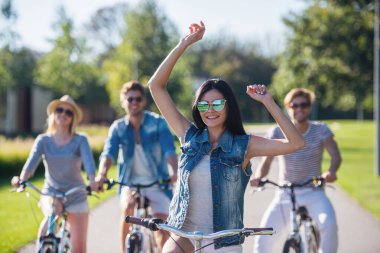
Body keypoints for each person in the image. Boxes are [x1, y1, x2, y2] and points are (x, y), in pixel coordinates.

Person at [147, 21, 305, 253]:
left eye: (217, 103)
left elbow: (296, 143)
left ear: (228, 106)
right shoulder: (188, 136)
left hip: (224, 240)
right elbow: (156, 86)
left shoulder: (245, 145)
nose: (210, 110)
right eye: (204, 104)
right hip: (185, 234)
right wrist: (183, 44)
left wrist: (268, 102)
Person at [251, 88, 342, 253]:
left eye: (304, 105)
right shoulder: (277, 131)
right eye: (295, 105)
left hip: (314, 191)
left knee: (328, 225)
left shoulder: (321, 129)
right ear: (288, 107)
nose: (299, 109)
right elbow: (267, 161)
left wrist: (332, 171)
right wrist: (258, 177)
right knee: (262, 238)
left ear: (309, 107)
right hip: (286, 193)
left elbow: (335, 155)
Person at [95, 80, 178, 252]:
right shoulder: (118, 128)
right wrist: (102, 174)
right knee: (127, 209)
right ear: (123, 101)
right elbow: (108, 153)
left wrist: (175, 171)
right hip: (129, 183)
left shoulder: (158, 123)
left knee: (161, 231)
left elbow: (169, 150)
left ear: (143, 101)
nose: (134, 102)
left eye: (138, 99)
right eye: (130, 99)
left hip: (157, 183)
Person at [11, 95, 97, 253]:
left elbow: (90, 166)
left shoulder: (80, 140)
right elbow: (30, 165)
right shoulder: (43, 140)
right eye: (59, 110)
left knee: (79, 248)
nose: (63, 114)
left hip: (76, 194)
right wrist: (21, 179)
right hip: (52, 193)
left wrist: (92, 181)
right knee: (45, 232)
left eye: (68, 112)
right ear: (53, 114)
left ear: (73, 118)